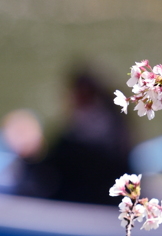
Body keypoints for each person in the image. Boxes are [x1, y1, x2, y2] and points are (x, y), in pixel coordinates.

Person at [14, 69, 131, 206]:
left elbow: (59, 162)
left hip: (94, 197)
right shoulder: (113, 120)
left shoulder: (90, 130)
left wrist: (29, 157)